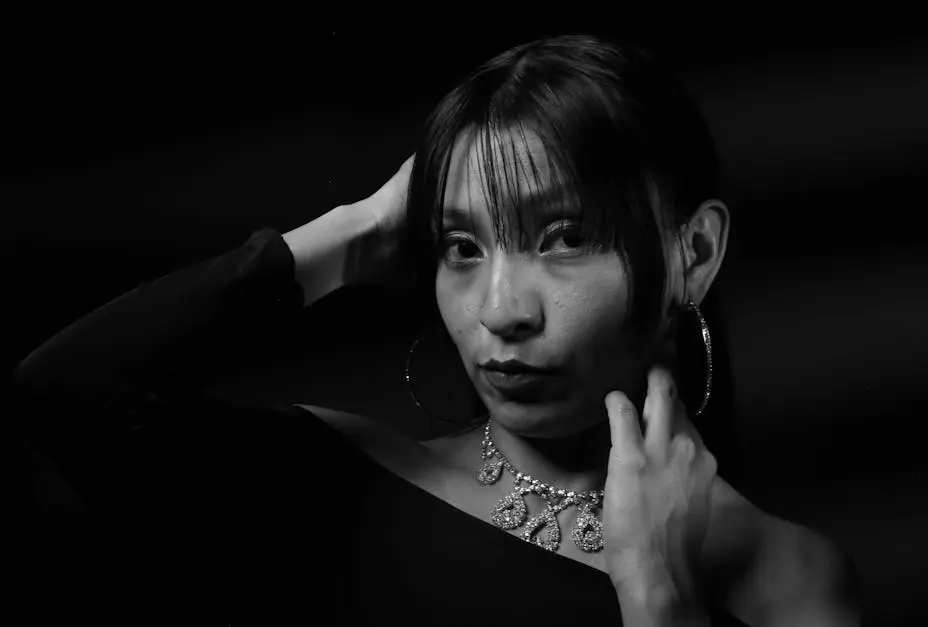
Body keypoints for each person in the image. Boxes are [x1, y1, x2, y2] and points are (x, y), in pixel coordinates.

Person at [12, 34, 860, 626]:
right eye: (462, 246)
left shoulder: (792, 580)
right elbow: (69, 390)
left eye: (561, 236)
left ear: (694, 253)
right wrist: (357, 231)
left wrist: (659, 597)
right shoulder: (332, 489)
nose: (499, 309)